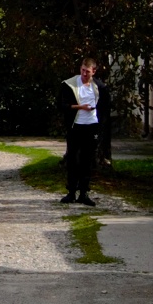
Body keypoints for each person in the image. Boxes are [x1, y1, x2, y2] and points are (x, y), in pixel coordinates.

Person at [58, 56, 104, 206]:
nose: (85, 74)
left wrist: (99, 121)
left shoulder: (98, 87)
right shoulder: (70, 85)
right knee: (73, 158)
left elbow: (104, 107)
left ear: (94, 72)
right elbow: (62, 105)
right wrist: (80, 107)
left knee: (87, 159)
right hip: (75, 126)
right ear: (80, 69)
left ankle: (84, 193)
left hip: (91, 126)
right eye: (83, 71)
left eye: (88, 72)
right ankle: (71, 192)